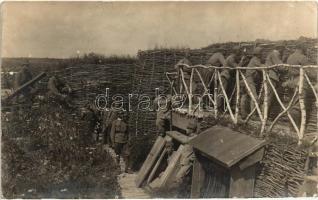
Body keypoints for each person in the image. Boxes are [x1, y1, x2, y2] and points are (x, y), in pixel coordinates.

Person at [240, 47, 265, 118]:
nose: (262, 55)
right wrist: (267, 66)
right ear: (259, 54)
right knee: (254, 97)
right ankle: (253, 115)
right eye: (261, 53)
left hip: (248, 80)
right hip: (249, 80)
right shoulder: (255, 60)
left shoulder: (254, 60)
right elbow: (261, 67)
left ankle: (244, 114)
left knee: (246, 96)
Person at [263, 46, 285, 113]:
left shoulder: (273, 54)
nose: (283, 51)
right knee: (269, 96)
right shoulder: (275, 54)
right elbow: (280, 66)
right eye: (282, 49)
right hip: (271, 77)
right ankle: (264, 114)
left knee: (270, 96)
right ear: (279, 48)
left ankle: (267, 114)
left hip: (272, 76)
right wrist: (287, 68)